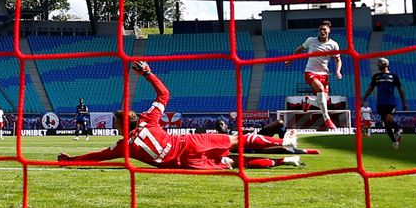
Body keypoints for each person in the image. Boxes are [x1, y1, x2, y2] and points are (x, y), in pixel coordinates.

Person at [58, 62, 315, 170]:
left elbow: (97, 157)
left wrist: (72, 160)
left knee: (236, 163)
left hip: (184, 164)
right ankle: (285, 145)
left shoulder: (124, 146)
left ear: (120, 126)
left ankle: (283, 161)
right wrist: (148, 73)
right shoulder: (148, 119)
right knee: (239, 140)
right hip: (190, 143)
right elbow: (164, 95)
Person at [287, 20, 343, 130]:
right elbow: (300, 49)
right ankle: (327, 119)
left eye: (324, 30)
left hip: (324, 74)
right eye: (320, 29)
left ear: (329, 31)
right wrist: (290, 59)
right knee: (321, 90)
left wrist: (338, 71)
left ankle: (308, 100)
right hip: (310, 72)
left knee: (323, 102)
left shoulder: (333, 44)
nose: (322, 31)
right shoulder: (311, 40)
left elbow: (338, 60)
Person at [362, 57, 409, 149]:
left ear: (385, 64)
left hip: (390, 102)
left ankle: (397, 130)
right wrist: (364, 98)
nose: (377, 64)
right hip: (380, 103)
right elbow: (370, 88)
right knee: (386, 124)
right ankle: (394, 141)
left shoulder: (393, 76)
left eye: (379, 63)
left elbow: (400, 89)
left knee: (389, 119)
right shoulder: (376, 76)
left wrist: (404, 102)